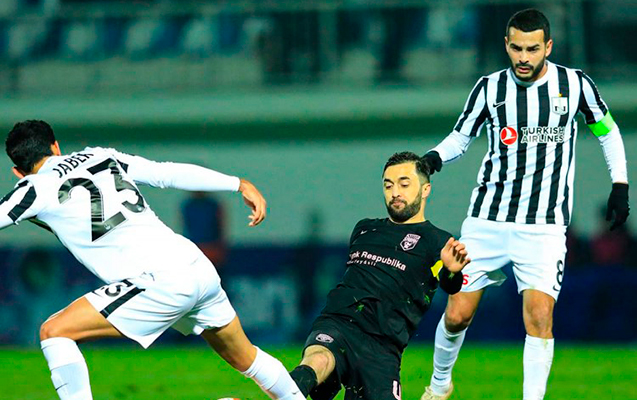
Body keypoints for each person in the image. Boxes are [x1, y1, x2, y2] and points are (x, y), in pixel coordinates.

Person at [1, 120, 305, 400]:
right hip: (195, 265)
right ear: (55, 146)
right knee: (247, 358)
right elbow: (165, 173)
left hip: (159, 282)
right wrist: (238, 183)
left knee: (54, 332)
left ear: (18, 171)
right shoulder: (101, 156)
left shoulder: (31, 189)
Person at [419, 9, 630, 400]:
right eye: (516, 48)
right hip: (487, 220)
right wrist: (434, 158)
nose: (523, 57)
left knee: (539, 317)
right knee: (457, 314)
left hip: (544, 228)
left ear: (548, 46)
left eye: (532, 49)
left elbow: (608, 131)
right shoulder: (489, 88)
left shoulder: (575, 84)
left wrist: (620, 184)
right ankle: (439, 384)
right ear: (506, 45)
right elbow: (460, 137)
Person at [288, 151, 471, 400]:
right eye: (388, 185)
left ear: (425, 189)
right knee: (317, 359)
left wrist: (451, 270)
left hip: (383, 348)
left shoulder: (437, 241)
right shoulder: (365, 229)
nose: (395, 192)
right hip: (339, 323)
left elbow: (452, 286)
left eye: (404, 184)